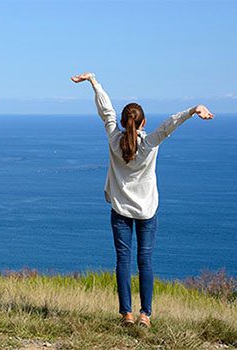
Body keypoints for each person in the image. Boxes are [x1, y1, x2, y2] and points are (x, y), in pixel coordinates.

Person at [71, 72, 215, 327]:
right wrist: (194, 110)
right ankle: (145, 315)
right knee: (145, 261)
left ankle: (126, 313)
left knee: (123, 261)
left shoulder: (114, 139)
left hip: (120, 211)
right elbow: (169, 124)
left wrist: (93, 82)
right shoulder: (149, 144)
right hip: (147, 211)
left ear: (125, 123)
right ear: (143, 121)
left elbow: (107, 113)